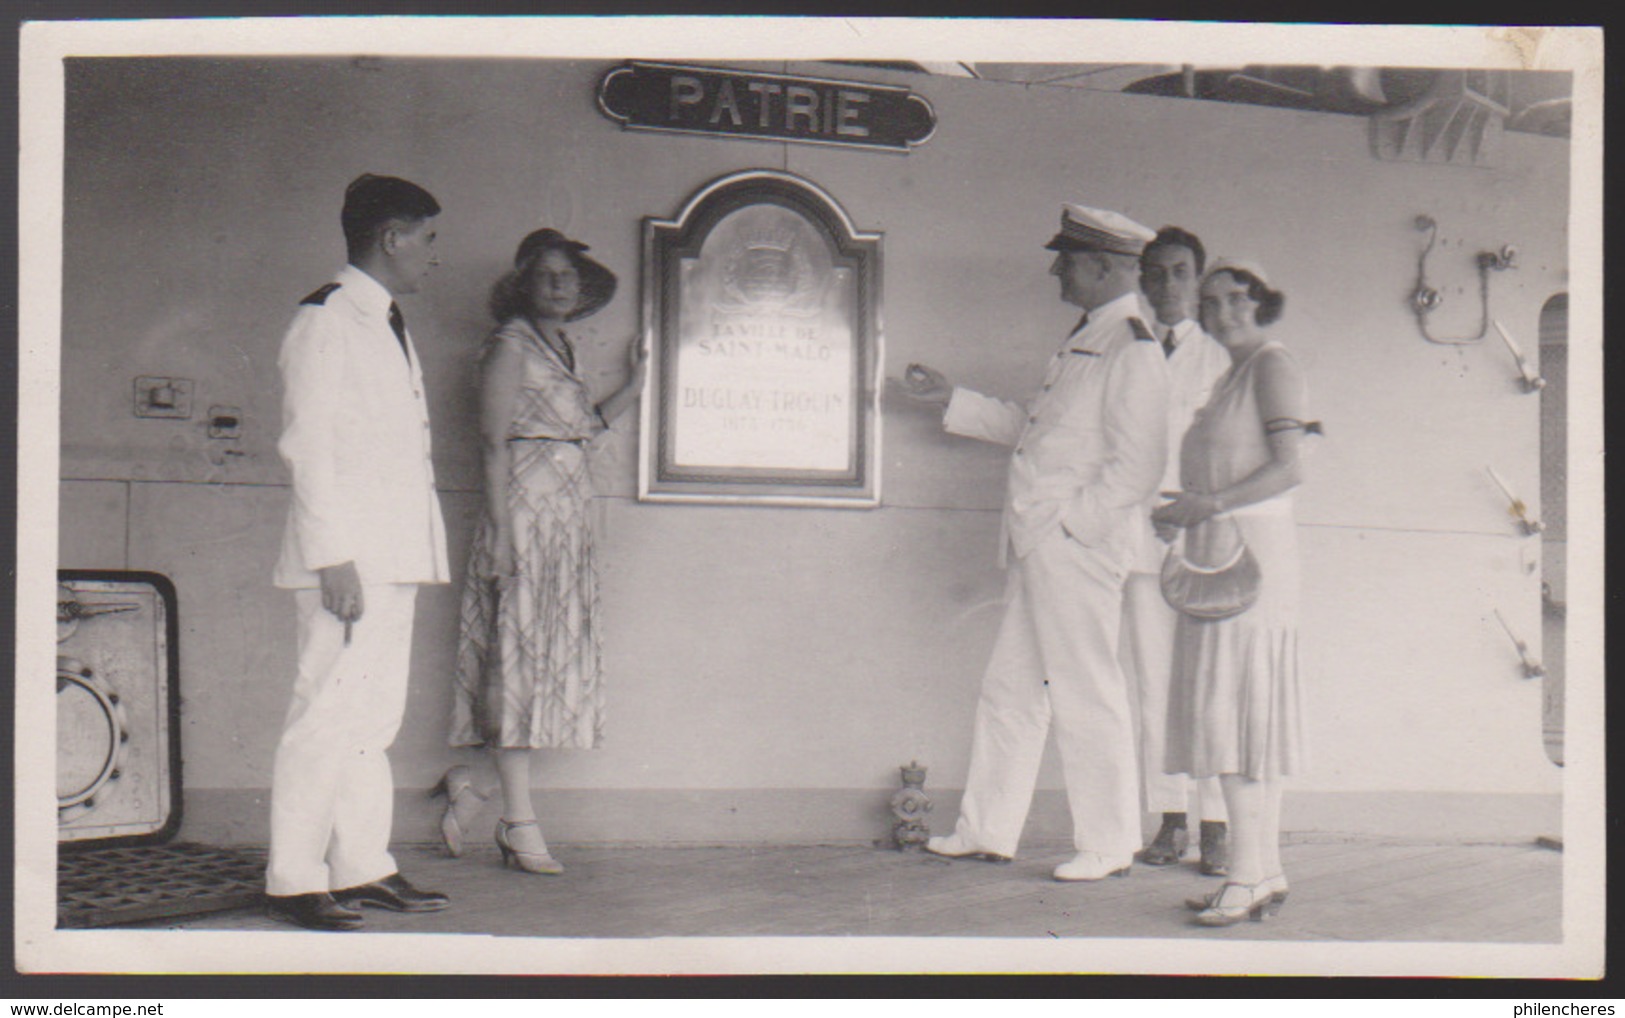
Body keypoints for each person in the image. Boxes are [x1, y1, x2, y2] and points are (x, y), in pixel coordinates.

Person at [899, 203, 1170, 882]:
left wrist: (1074, 527)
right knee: (1010, 688)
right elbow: (1039, 432)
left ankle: (1109, 842)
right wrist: (950, 401)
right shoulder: (1089, 339)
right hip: (1039, 541)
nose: (1055, 270)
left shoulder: (1132, 347)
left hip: (1071, 545)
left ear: (1104, 267)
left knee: (1085, 689)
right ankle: (987, 829)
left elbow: (1137, 465)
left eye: (1067, 259)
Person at [266, 173, 452, 931]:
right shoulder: (327, 320)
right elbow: (306, 448)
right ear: (392, 237)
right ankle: (293, 877)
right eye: (428, 239)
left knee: (371, 720)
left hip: (392, 553)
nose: (434, 255)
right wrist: (332, 557)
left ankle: (361, 865)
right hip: (347, 558)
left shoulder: (382, 320)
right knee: (326, 714)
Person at [437, 228, 645, 875]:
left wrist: (637, 383)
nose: (559, 284)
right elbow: (493, 443)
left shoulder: (562, 349)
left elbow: (580, 429)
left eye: (569, 275)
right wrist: (500, 533)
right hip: (522, 520)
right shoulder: (507, 347)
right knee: (520, 665)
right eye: (546, 274)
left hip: (565, 525)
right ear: (522, 284)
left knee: (546, 671)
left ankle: (476, 794)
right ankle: (517, 823)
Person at [1151, 258, 1315, 926]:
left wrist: (1206, 504)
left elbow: (1288, 469)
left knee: (1237, 713)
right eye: (1209, 301)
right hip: (1220, 549)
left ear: (1261, 302)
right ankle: (1264, 869)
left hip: (1252, 555)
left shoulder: (1272, 365)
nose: (1219, 312)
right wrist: (1185, 509)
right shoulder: (1230, 374)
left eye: (1234, 300)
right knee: (1240, 714)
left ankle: (1243, 874)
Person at [1124, 227, 1234, 875]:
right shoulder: (1127, 352)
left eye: (1179, 273)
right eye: (1155, 274)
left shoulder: (1221, 362)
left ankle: (1215, 824)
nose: (1167, 286)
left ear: (1198, 281)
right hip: (1138, 538)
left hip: (1200, 539)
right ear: (1141, 282)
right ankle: (1169, 821)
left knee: (1208, 686)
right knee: (1150, 685)